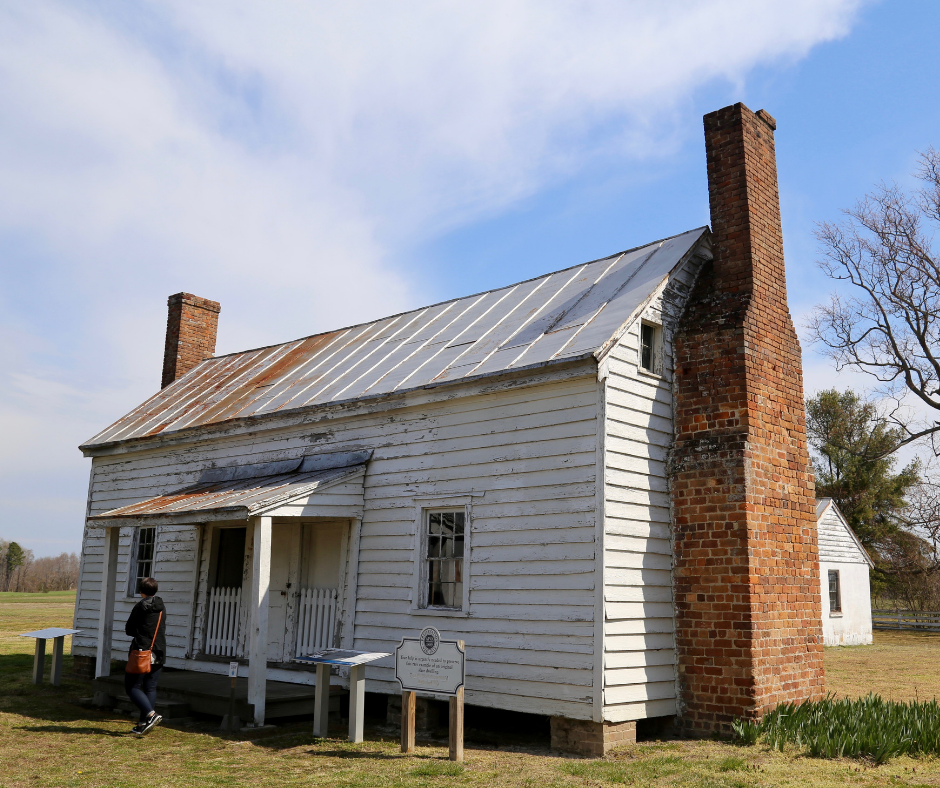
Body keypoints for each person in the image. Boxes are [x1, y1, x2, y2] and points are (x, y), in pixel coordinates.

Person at [124, 576, 166, 735]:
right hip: (159, 650)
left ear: (141, 591)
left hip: (142, 651)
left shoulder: (141, 606)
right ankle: (143, 724)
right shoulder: (162, 606)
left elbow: (129, 630)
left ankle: (150, 714)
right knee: (150, 687)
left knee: (132, 686)